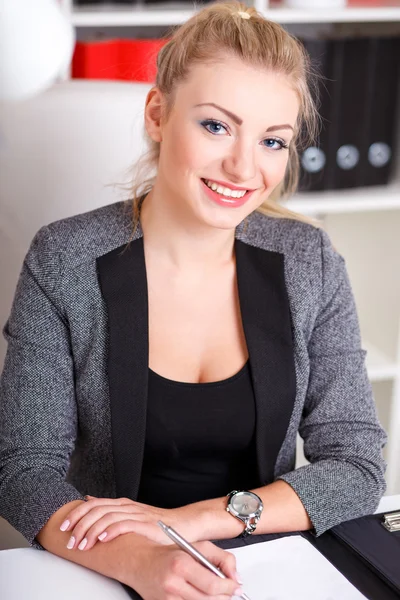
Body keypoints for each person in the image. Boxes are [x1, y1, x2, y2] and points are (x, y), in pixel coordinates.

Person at [0, 1, 387, 598]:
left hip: (268, 568)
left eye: (272, 141)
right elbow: (24, 472)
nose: (243, 167)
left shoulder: (310, 262)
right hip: (104, 567)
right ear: (158, 114)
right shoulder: (64, 259)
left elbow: (357, 466)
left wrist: (186, 522)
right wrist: (139, 558)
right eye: (216, 126)